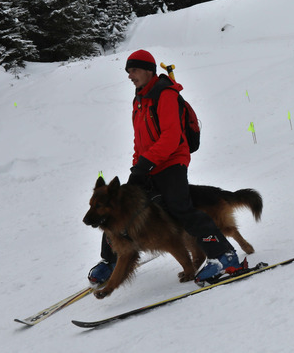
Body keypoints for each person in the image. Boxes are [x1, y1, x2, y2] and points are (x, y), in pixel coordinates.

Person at [88, 50, 243, 286]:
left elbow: (172, 136)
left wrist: (147, 161)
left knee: (181, 208)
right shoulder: (140, 98)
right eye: (128, 71)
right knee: (117, 203)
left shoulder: (165, 94)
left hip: (171, 162)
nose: (130, 75)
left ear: (149, 70)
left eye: (134, 70)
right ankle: (109, 261)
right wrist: (137, 164)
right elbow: (139, 139)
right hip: (146, 165)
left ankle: (225, 256)